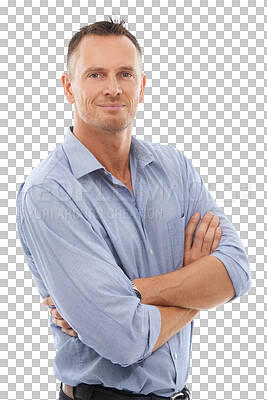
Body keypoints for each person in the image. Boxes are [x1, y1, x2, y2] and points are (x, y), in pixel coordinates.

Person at [16, 17, 251, 400]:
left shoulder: (174, 168)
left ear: (141, 87)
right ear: (68, 87)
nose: (112, 88)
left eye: (125, 73)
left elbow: (237, 272)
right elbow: (124, 339)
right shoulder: (49, 194)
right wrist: (195, 285)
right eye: (95, 74)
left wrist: (133, 293)